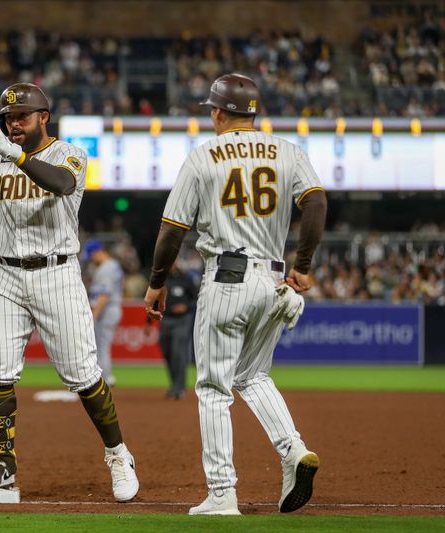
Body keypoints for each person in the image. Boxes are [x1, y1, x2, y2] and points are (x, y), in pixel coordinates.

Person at [0, 82, 139, 502]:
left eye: (21, 118)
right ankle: (1, 463)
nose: (12, 125)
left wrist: (15, 155)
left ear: (43, 118)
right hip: (8, 275)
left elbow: (62, 184)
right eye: (8, 119)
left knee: (83, 375)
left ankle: (119, 454)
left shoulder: (69, 152)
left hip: (57, 274)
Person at [143, 73, 327, 515]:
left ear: (220, 112)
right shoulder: (289, 151)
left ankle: (223, 492)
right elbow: (317, 204)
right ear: (254, 112)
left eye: (212, 110)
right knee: (253, 375)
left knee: (212, 387)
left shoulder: (204, 155)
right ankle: (293, 450)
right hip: (275, 281)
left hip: (226, 277)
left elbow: (172, 229)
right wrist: (302, 267)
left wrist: (157, 281)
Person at [83, 239, 123, 387]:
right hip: (110, 308)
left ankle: (106, 378)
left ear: (98, 252)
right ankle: (105, 377)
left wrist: (95, 315)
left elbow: (104, 295)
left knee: (101, 346)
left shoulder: (107, 268)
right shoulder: (112, 265)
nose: (91, 259)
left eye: (91, 255)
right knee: (101, 345)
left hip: (106, 309)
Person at [159, 260, 198, 399]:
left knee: (178, 353)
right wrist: (147, 323)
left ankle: (179, 388)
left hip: (183, 319)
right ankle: (174, 385)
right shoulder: (160, 279)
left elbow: (196, 298)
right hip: (165, 319)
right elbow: (154, 301)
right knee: (167, 352)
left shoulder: (186, 279)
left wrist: (186, 306)